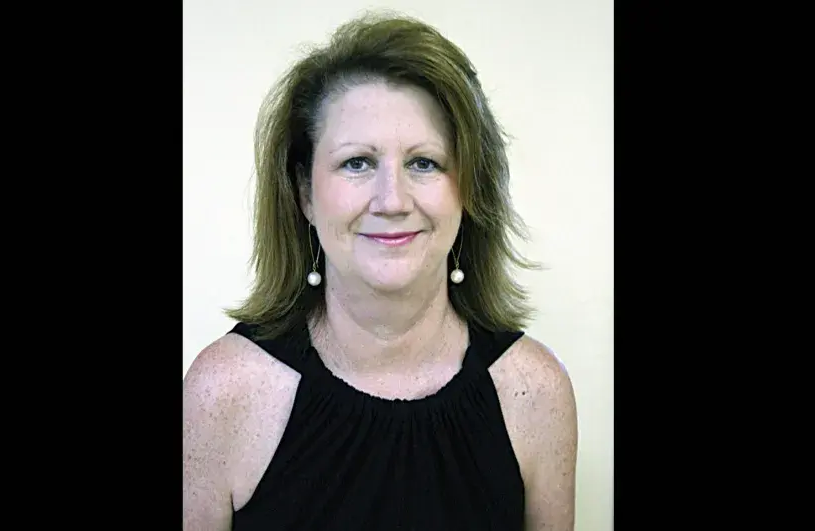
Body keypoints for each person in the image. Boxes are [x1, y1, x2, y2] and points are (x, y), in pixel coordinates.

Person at [183, 11, 578, 531]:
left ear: (468, 190)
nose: (392, 200)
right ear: (304, 193)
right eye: (357, 162)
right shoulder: (223, 392)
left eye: (424, 163)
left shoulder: (535, 392)